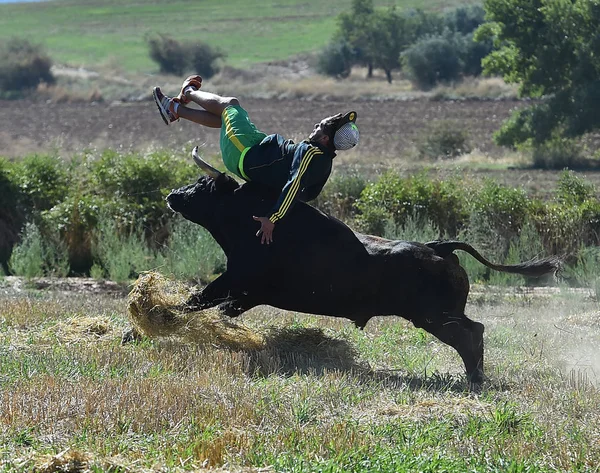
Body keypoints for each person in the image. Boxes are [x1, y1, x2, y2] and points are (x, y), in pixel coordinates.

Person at [152, 75, 359, 244]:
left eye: (319, 127)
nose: (315, 126)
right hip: (257, 145)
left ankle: (186, 93)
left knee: (231, 104)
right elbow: (306, 193)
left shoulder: (312, 153)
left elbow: (294, 185)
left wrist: (274, 218)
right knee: (225, 118)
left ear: (324, 139)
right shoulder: (325, 161)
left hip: (246, 153)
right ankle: (174, 110)